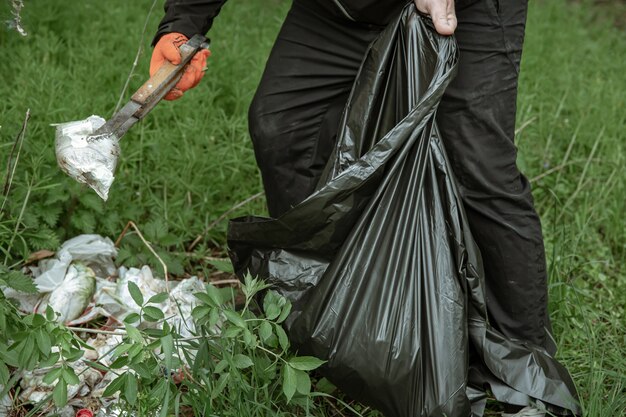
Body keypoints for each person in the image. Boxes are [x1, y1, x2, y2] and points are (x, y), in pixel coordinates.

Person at [151, 1, 558, 415]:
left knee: (479, 165)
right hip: (340, 9)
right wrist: (182, 24)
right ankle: (322, 320)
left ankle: (527, 375)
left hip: (464, 10)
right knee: (282, 127)